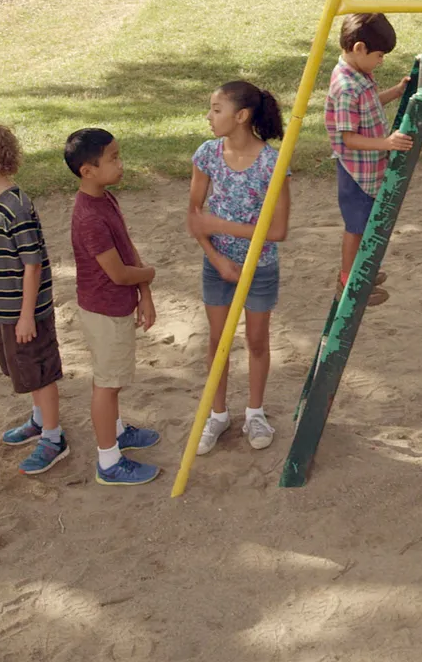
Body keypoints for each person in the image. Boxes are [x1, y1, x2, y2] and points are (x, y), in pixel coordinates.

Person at [188, 81, 292, 455]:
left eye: (217, 110)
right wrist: (217, 258)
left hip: (259, 267)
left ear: (242, 116)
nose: (209, 116)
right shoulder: (207, 155)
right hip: (217, 265)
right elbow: (194, 217)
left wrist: (221, 225)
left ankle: (255, 413)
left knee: (257, 341)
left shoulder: (272, 162)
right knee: (218, 341)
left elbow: (277, 231)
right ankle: (217, 415)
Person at [0, 124, 66, 476]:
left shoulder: (15, 208)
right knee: (24, 369)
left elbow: (32, 265)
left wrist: (27, 315)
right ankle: (39, 420)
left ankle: (54, 438)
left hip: (25, 311)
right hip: (4, 308)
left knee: (40, 372)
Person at [64, 128, 163, 486]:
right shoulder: (89, 218)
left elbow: (127, 248)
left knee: (113, 381)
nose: (121, 164)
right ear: (87, 171)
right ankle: (108, 461)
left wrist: (145, 292)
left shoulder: (105, 198)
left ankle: (118, 433)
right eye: (114, 158)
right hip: (104, 311)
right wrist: (149, 274)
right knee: (107, 386)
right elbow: (119, 273)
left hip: (116, 306)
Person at [325, 13, 413, 306]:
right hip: (355, 173)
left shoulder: (358, 75)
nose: (381, 61)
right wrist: (386, 143)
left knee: (366, 223)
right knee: (356, 228)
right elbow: (348, 138)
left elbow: (371, 103)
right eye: (379, 55)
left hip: (367, 168)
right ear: (360, 48)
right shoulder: (346, 87)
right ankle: (347, 281)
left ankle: (361, 270)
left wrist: (396, 92)